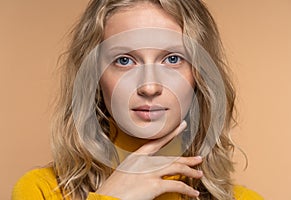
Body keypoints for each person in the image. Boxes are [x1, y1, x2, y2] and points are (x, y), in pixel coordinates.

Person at [12, 0, 264, 199]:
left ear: (200, 75)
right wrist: (110, 198)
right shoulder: (41, 191)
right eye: (124, 60)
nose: (149, 86)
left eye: (173, 59)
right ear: (95, 78)